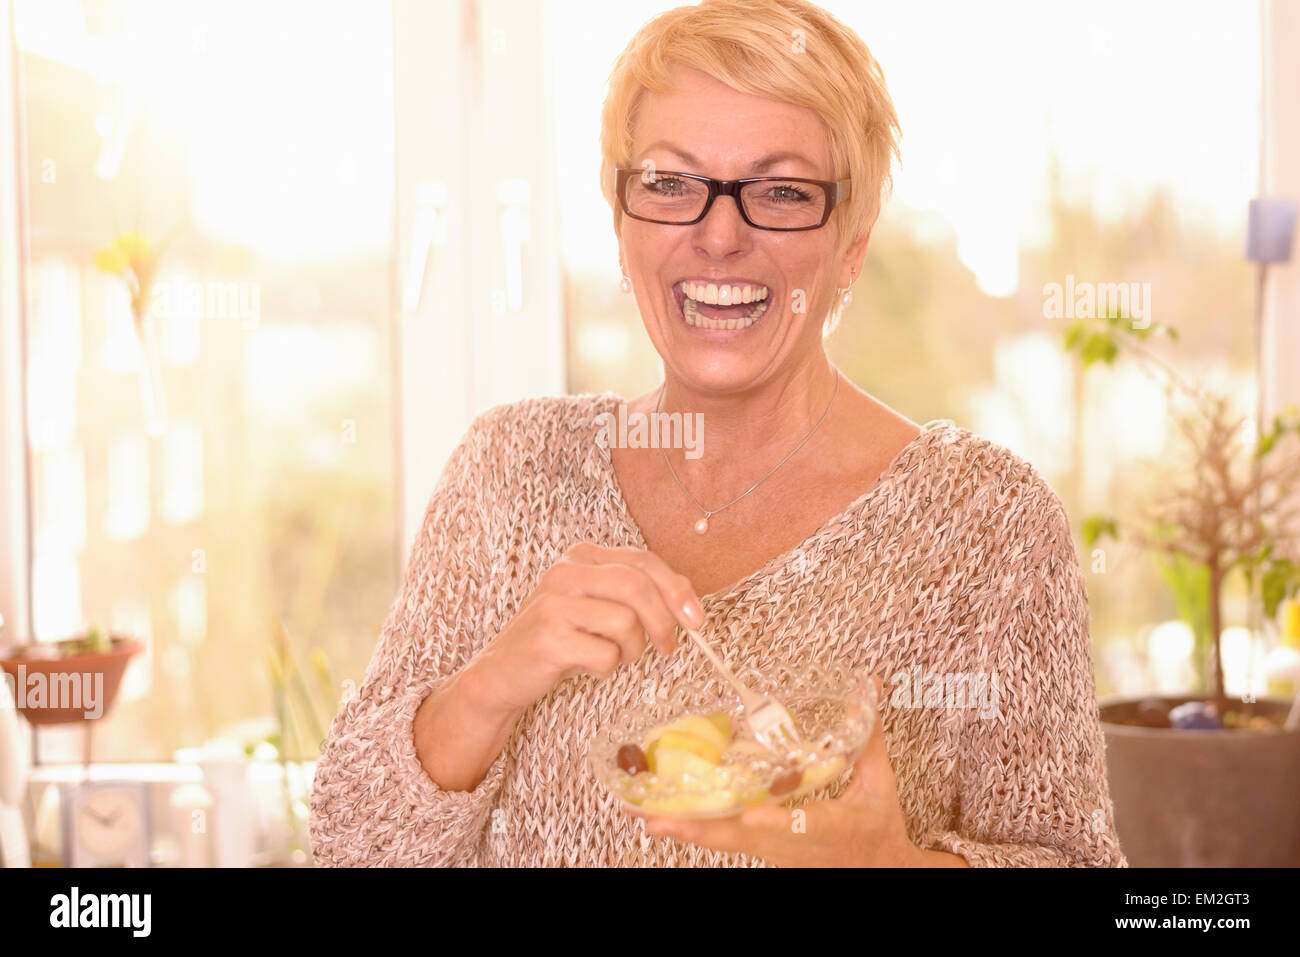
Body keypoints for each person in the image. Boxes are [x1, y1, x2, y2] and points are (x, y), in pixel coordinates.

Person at [309, 0, 1127, 867]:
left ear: (850, 243)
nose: (719, 235)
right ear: (621, 224)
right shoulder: (509, 473)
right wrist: (487, 688)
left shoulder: (988, 525)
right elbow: (347, 845)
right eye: (670, 183)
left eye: (780, 191)